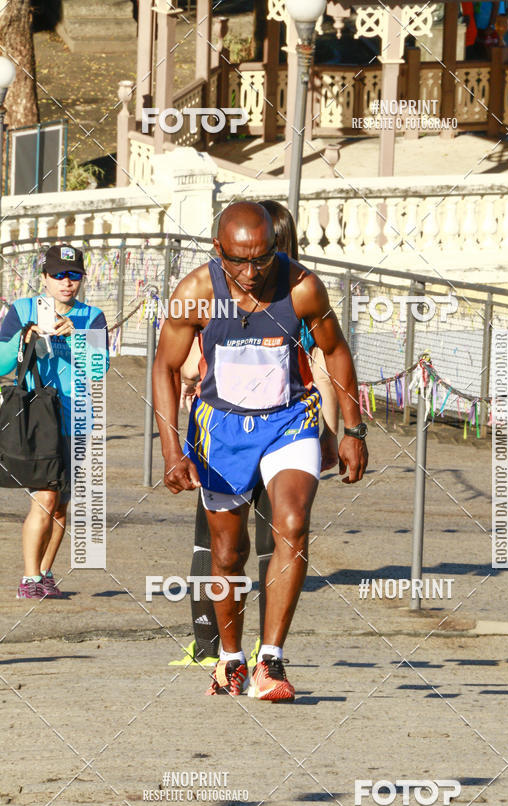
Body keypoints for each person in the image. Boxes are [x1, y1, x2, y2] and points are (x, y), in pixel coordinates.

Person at [153, 201, 368, 702]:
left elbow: (334, 351)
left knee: (291, 524)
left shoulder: (302, 287)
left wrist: (353, 428)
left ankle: (270, 660)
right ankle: (231, 661)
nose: (250, 273)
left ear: (276, 249)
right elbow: (165, 367)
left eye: (262, 260)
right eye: (238, 261)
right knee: (229, 554)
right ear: (217, 251)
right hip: (221, 429)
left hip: (289, 420)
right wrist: (170, 452)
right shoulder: (197, 292)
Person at [0, 244, 109, 599]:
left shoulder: (92, 317)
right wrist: (23, 337)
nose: (67, 282)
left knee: (63, 502)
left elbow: (99, 368)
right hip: (38, 417)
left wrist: (73, 338)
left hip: (77, 417)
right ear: (44, 278)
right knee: (45, 497)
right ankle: (29, 580)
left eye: (74, 275)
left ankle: (45, 573)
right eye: (59, 275)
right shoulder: (21, 310)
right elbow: (1, 365)